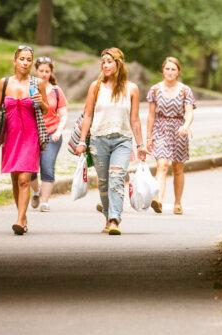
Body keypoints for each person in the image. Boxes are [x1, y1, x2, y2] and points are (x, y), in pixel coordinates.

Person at [73, 47, 147, 235]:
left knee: (116, 178)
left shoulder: (131, 89)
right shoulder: (95, 87)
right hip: (98, 140)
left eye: (109, 62)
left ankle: (115, 219)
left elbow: (135, 119)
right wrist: (82, 141)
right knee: (104, 182)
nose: (105, 65)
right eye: (103, 62)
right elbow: (87, 115)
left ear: (118, 64)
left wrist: (140, 145)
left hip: (122, 140)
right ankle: (108, 217)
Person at [0, 45, 47, 235]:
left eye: (29, 59)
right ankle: (23, 215)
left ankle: (20, 220)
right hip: (11, 137)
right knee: (15, 178)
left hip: (30, 136)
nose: (26, 62)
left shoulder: (38, 84)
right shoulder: (4, 83)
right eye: (22, 59)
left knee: (24, 179)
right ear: (15, 61)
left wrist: (40, 102)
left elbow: (46, 110)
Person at [145, 56, 196, 215]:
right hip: (160, 128)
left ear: (178, 72)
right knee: (162, 165)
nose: (170, 72)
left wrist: (186, 126)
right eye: (167, 68)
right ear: (162, 70)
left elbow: (189, 112)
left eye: (173, 69)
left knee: (178, 168)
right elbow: (151, 116)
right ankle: (158, 199)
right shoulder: (154, 90)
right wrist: (148, 137)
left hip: (179, 129)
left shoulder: (185, 90)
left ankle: (177, 202)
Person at [29, 56, 67, 212]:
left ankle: (44, 201)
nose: (44, 74)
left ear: (51, 72)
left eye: (47, 71)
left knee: (47, 166)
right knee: (30, 169)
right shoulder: (28, 88)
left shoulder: (56, 91)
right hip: (32, 134)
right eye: (41, 71)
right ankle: (37, 191)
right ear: (36, 71)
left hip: (52, 133)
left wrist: (58, 131)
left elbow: (64, 114)